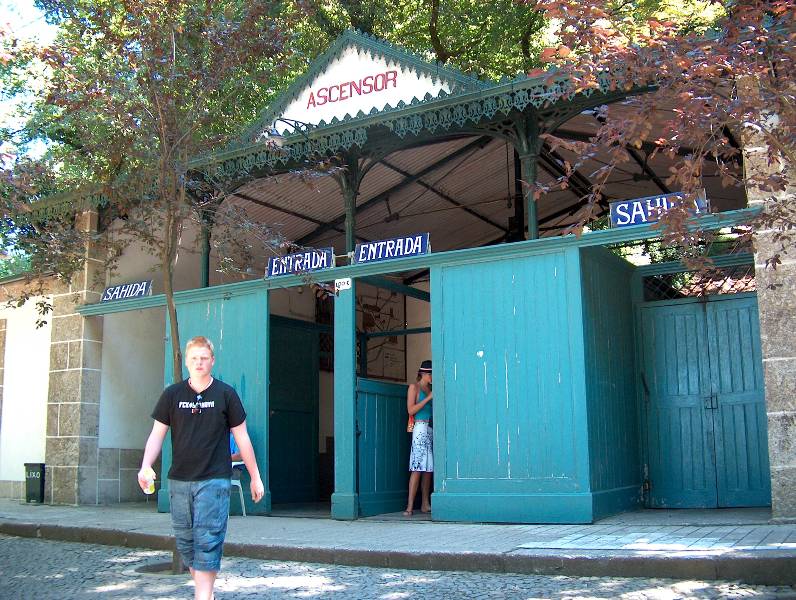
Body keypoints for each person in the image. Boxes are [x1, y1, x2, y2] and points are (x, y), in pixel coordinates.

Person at [137, 336, 264, 600]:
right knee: (186, 544)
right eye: (194, 358)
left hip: (214, 480)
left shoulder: (226, 394)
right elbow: (157, 434)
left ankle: (202, 595)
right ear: (186, 361)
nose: (199, 362)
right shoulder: (172, 395)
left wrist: (255, 477)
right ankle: (206, 592)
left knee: (207, 541)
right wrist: (145, 465)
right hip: (179, 481)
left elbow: (242, 438)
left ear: (212, 361)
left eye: (204, 358)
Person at [404, 359, 433, 516]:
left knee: (428, 468)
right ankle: (409, 506)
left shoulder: (431, 389)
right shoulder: (414, 387)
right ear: (423, 373)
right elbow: (411, 410)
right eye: (430, 374)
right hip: (420, 428)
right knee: (417, 467)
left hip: (430, 428)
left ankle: (425, 503)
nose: (432, 377)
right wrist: (428, 398)